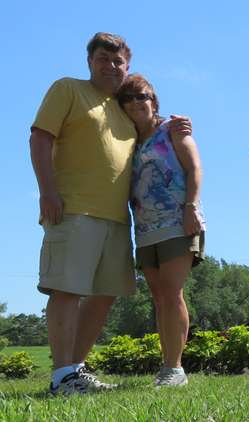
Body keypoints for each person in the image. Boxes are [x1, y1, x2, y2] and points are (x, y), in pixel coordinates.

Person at [29, 32, 191, 395]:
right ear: (90, 62)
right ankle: (60, 376)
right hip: (73, 209)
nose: (111, 66)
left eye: (118, 61)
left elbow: (152, 132)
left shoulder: (122, 108)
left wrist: (177, 126)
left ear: (127, 66)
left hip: (118, 219)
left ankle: (75, 370)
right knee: (67, 289)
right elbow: (40, 137)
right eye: (103, 59)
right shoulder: (68, 89)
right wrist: (47, 191)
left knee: (104, 294)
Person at [117, 74, 204, 387]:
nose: (137, 103)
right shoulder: (128, 141)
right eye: (129, 98)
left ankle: (175, 368)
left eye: (142, 96)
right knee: (158, 297)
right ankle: (166, 366)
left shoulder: (172, 129)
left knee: (172, 292)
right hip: (145, 228)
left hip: (177, 222)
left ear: (153, 100)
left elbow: (194, 167)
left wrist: (191, 207)